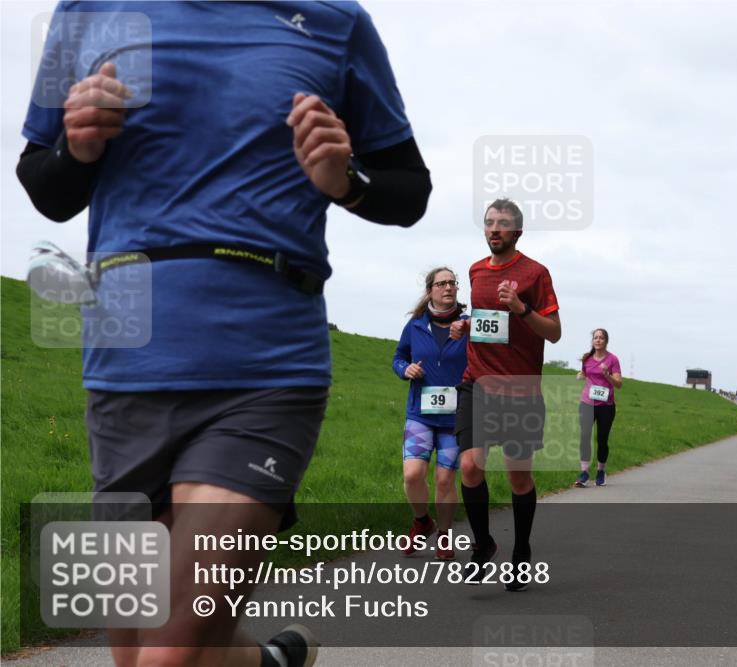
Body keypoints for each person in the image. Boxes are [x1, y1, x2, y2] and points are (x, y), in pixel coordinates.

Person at [17, 4, 431, 666]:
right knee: (148, 651)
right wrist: (77, 144)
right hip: (124, 372)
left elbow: (409, 190)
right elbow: (46, 184)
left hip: (264, 367)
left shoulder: (336, 20)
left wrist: (345, 180)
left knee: (168, 654)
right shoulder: (85, 12)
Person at [449, 198, 561, 590]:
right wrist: (465, 326)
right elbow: (484, 320)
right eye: (489, 223)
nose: (495, 229)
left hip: (519, 390)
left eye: (503, 224)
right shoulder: (476, 271)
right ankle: (482, 546)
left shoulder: (535, 273)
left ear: (517, 232)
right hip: (477, 382)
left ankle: (522, 551)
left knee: (518, 478)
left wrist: (521, 308)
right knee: (470, 465)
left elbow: (554, 331)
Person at [392, 268, 468, 560]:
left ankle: (445, 536)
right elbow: (399, 356)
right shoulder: (415, 325)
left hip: (454, 417)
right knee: (412, 475)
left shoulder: (467, 325)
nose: (448, 287)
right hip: (420, 413)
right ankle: (422, 521)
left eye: (452, 283)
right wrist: (405, 369)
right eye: (442, 283)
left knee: (445, 479)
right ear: (430, 290)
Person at [574, 329, 623, 487]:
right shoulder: (587, 358)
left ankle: (601, 471)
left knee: (602, 439)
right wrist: (581, 375)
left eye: (601, 338)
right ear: (592, 341)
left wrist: (607, 374)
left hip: (606, 406)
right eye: (596, 337)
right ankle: (584, 473)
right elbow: (585, 373)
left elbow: (619, 384)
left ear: (606, 341)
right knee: (584, 437)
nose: (598, 340)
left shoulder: (612, 359)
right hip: (587, 403)